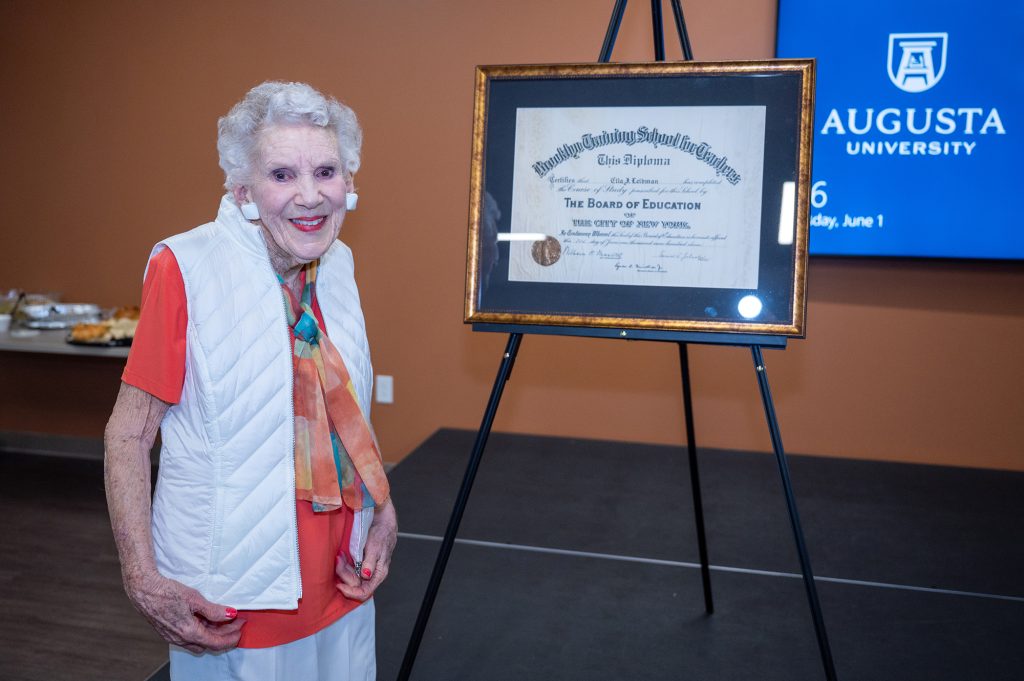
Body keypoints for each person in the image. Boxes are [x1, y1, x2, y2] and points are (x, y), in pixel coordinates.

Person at [104, 81, 396, 681]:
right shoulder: (185, 267)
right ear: (242, 190)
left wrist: (381, 506)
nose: (310, 196)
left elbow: (348, 413)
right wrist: (141, 578)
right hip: (238, 590)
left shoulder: (338, 264)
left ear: (350, 182)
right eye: (282, 175)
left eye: (326, 171)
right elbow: (128, 436)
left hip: (343, 576)